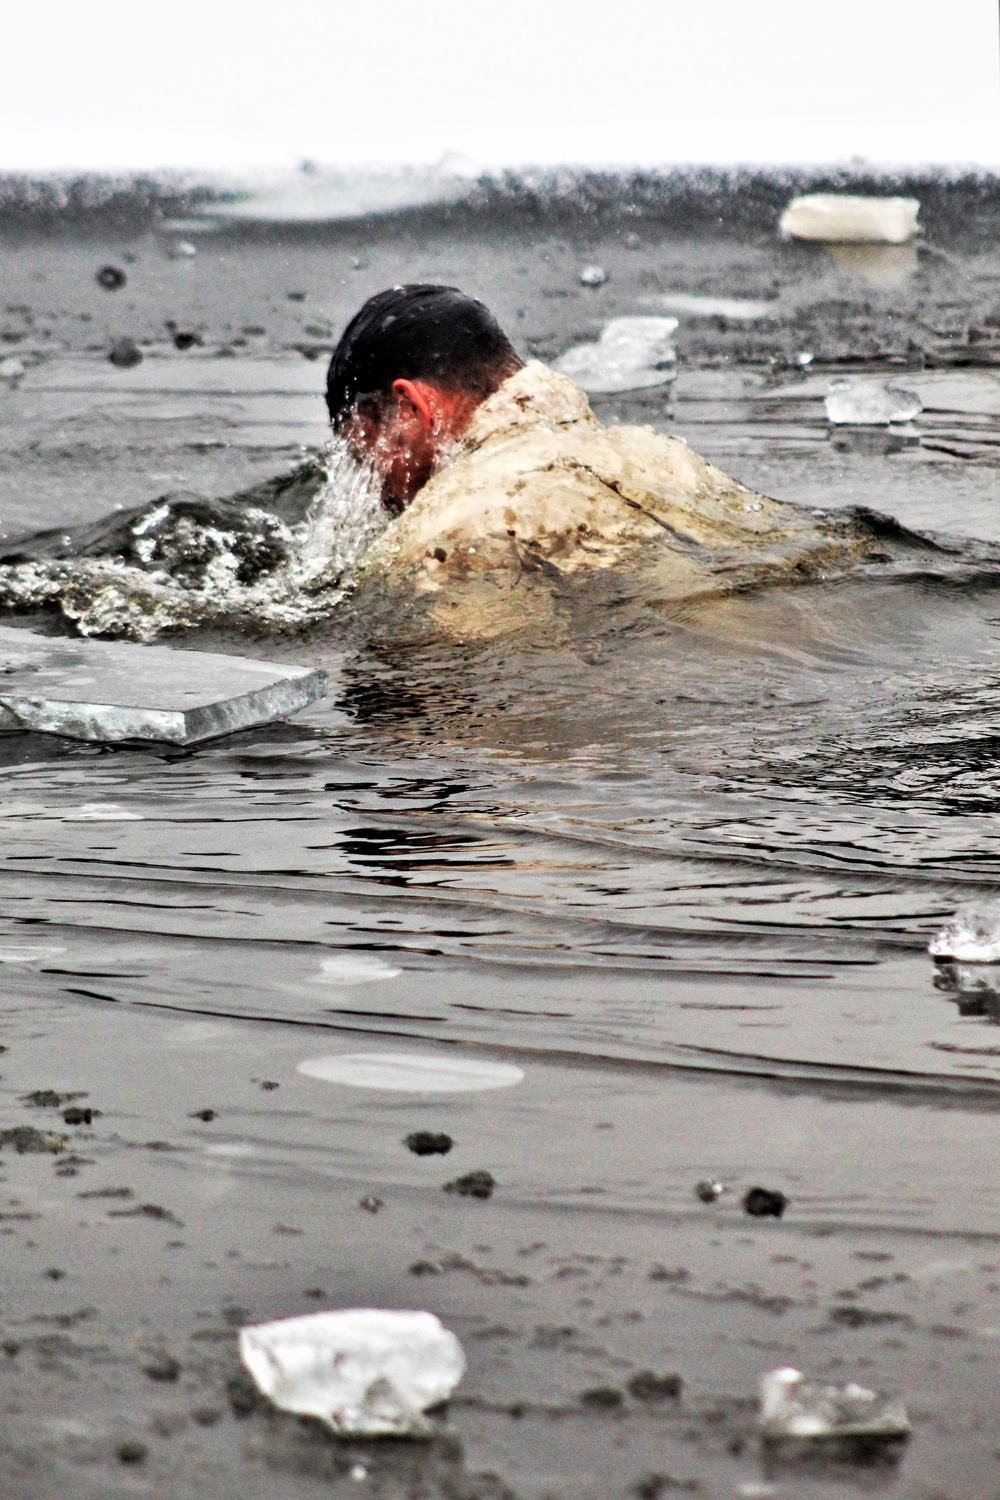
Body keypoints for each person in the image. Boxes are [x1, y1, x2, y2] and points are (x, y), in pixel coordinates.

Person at [332, 284, 873, 638]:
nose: (379, 490)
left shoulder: (449, 532)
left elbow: (483, 694)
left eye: (365, 454)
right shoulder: (661, 459)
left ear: (410, 410)